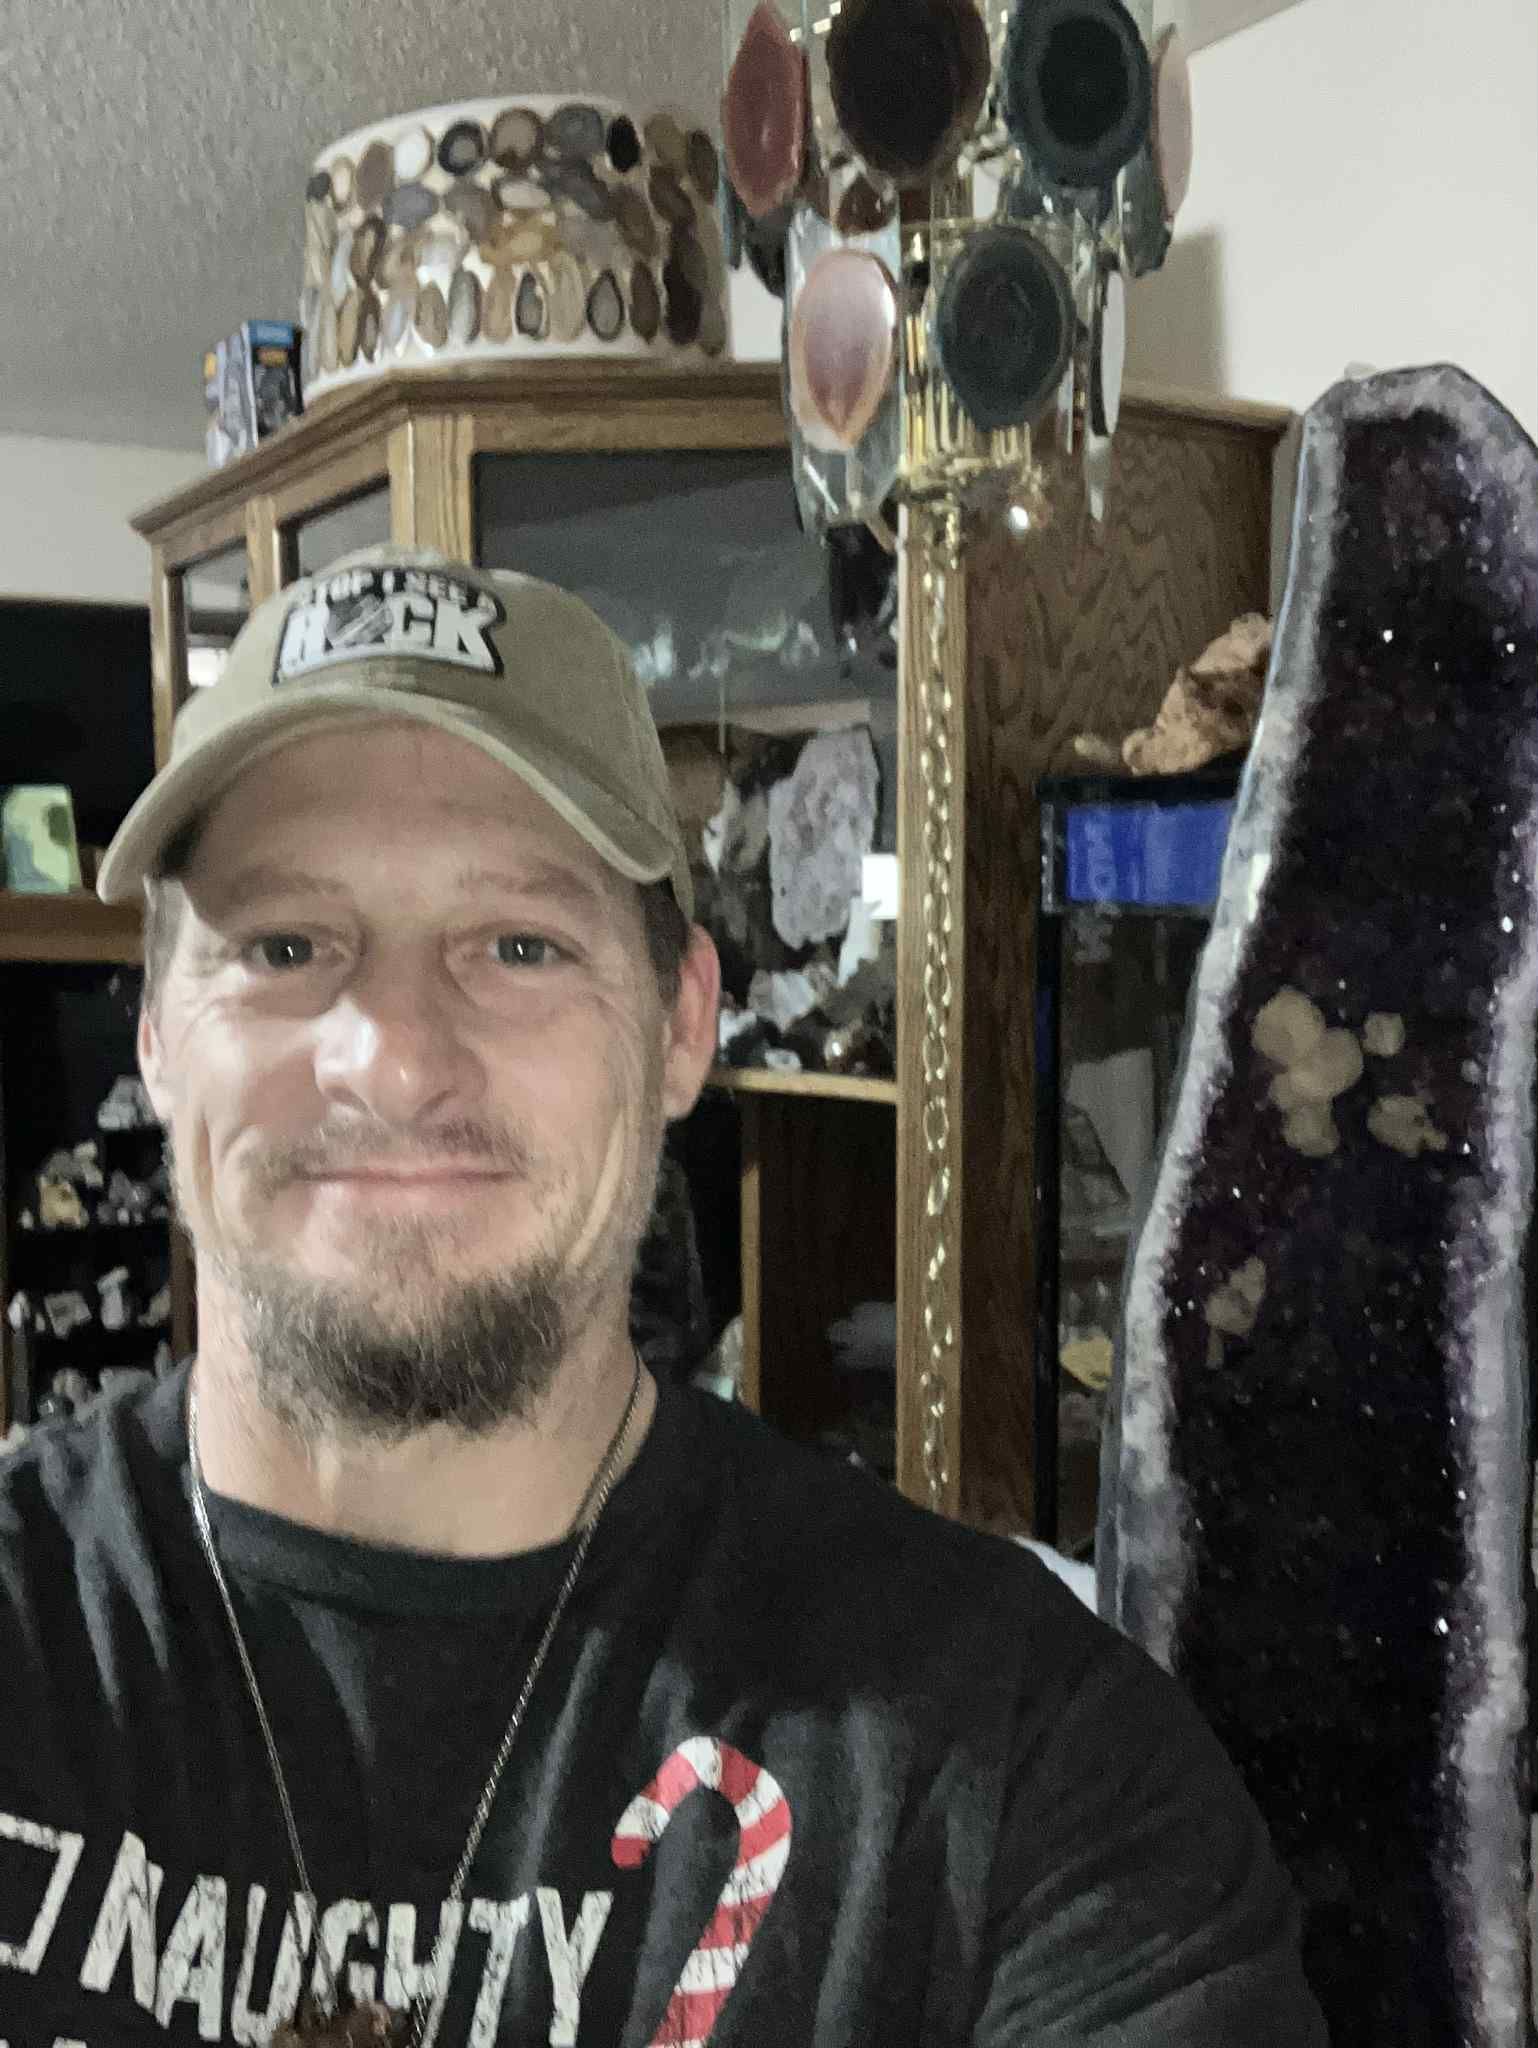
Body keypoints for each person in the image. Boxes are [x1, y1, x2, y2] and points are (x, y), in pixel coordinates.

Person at [0, 546, 1326, 2046]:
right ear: (162, 1036)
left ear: (683, 1025)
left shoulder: (1013, 1765)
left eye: (518, 945)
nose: (394, 1056)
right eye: (286, 946)